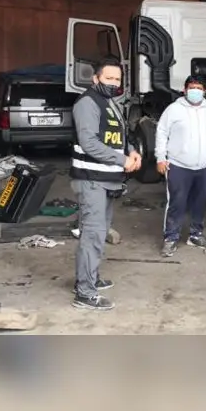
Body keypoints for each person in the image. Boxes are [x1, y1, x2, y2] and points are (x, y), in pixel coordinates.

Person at [69, 57, 141, 311]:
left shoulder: (110, 102)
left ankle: (90, 278)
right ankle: (85, 293)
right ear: (95, 78)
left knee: (100, 232)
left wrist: (132, 152)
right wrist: (122, 160)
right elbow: (89, 143)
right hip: (91, 180)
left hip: (107, 180)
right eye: (109, 78)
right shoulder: (87, 103)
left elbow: (119, 135)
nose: (113, 83)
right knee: (93, 235)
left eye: (117, 79)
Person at [155, 75, 206, 257]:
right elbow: (161, 133)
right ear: (185, 90)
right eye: (192, 87)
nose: (195, 91)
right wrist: (160, 158)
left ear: (204, 91)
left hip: (203, 166)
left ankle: (196, 235)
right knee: (177, 203)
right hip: (179, 165)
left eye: (199, 88)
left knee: (199, 202)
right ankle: (171, 238)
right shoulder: (173, 110)